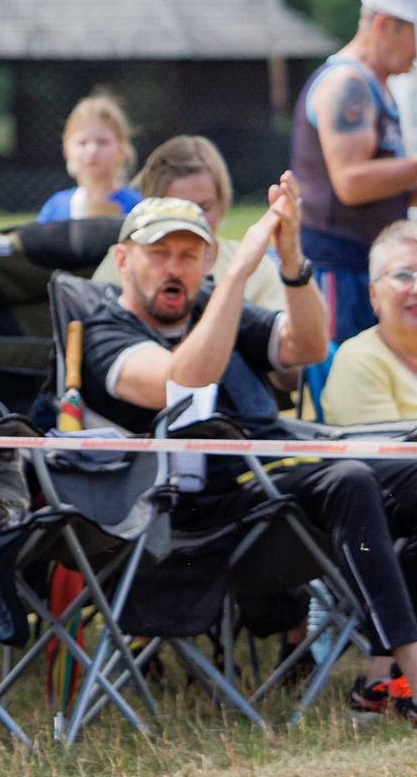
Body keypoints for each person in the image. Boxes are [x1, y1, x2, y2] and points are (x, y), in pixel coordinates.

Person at [77, 183, 417, 725]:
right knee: (349, 479)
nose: (176, 269)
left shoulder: (214, 303)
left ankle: (383, 677)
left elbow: (305, 348)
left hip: (277, 482)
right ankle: (411, 676)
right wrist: (234, 277)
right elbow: (179, 379)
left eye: (190, 256)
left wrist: (290, 261)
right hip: (191, 524)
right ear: (123, 260)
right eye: (159, 254)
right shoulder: (103, 331)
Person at [291, 0, 417, 344]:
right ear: (384, 25)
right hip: (337, 270)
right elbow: (352, 181)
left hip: (368, 267)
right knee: (345, 382)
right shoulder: (349, 82)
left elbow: (385, 187)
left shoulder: (378, 86)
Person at [92, 135, 286, 312]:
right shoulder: (127, 263)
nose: (196, 220)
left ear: (222, 203)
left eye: (204, 207)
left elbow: (288, 340)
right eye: (180, 209)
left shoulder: (255, 266)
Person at [320, 219, 417, 424]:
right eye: (403, 275)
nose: (416, 289)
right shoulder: (359, 361)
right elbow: (386, 454)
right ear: (374, 294)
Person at [32, 91, 138, 223]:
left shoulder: (138, 208)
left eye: (102, 142)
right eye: (82, 143)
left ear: (122, 149)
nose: (92, 150)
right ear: (66, 150)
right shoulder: (56, 207)